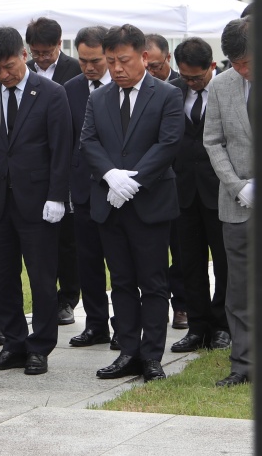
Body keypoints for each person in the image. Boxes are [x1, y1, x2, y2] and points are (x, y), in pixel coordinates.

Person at [81, 24, 183, 382]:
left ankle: (152, 355)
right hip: (110, 201)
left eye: (123, 60)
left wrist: (133, 181)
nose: (117, 69)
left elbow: (168, 144)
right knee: (121, 280)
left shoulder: (167, 95)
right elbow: (89, 142)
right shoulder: (98, 97)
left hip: (150, 203)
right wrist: (111, 176)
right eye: (111, 62)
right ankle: (127, 350)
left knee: (153, 281)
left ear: (143, 56)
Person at [0, 26, 72, 375]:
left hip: (38, 202)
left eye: (9, 66)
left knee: (41, 278)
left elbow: (61, 148)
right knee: (2, 277)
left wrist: (57, 197)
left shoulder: (51, 93)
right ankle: (14, 343)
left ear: (24, 55)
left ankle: (41, 346)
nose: (4, 75)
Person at [169, 37, 231, 353]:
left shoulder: (225, 90)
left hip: (218, 190)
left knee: (223, 263)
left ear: (211, 66)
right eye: (186, 76)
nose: (192, 82)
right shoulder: (174, 92)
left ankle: (223, 326)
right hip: (182, 192)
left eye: (197, 77)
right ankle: (198, 326)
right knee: (188, 263)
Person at [203, 17, 253, 387]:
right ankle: (243, 364)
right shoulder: (222, 85)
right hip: (237, 204)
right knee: (239, 290)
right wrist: (238, 185)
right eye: (235, 63)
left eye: (248, 62)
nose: (242, 70)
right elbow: (213, 141)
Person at [24, 16, 82, 326]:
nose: (42, 58)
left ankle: (69, 297)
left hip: (67, 158)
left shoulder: (73, 71)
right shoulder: (25, 73)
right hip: (34, 163)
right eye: (36, 52)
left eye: (47, 52)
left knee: (67, 238)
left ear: (60, 45)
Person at [64, 26, 113, 349]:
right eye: (82, 60)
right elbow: (66, 140)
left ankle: (125, 325)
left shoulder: (124, 88)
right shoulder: (71, 89)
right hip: (82, 191)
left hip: (118, 190)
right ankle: (95, 324)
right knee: (88, 262)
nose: (89, 67)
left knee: (122, 266)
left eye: (95, 61)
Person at [144, 34, 187, 329]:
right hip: (146, 185)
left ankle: (182, 306)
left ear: (167, 59)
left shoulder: (176, 89)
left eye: (156, 66)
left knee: (181, 251)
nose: (150, 73)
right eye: (145, 66)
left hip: (181, 180)